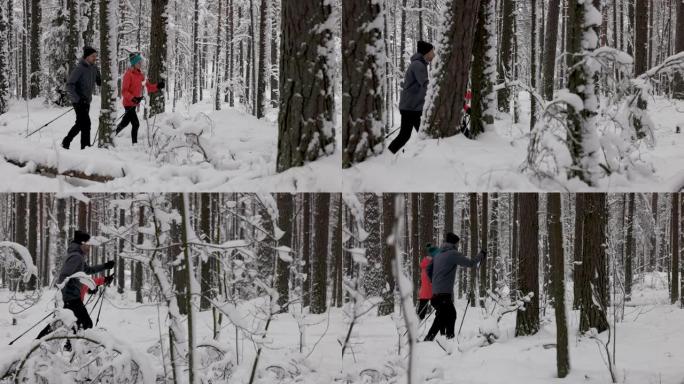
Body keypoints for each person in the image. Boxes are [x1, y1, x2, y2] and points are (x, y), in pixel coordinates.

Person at [424, 232, 486, 342]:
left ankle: (446, 338)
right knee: (447, 316)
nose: (458, 245)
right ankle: (433, 339)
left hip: (435, 294)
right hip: (443, 294)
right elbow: (471, 263)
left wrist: (434, 281)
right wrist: (481, 255)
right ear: (454, 243)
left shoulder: (438, 254)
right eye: (457, 243)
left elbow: (428, 269)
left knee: (446, 315)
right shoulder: (452, 254)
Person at [388, 40, 435, 154]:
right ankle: (388, 154)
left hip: (412, 107)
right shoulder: (418, 65)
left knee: (410, 135)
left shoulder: (418, 64)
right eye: (432, 51)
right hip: (411, 108)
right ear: (426, 52)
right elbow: (425, 84)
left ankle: (389, 154)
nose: (433, 54)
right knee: (416, 135)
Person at [115, 52, 165, 145]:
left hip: (134, 103)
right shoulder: (128, 74)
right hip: (128, 103)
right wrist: (133, 98)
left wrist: (158, 86)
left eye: (141, 62)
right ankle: (134, 144)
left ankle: (112, 134)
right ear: (133, 64)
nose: (140, 64)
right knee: (136, 123)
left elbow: (149, 87)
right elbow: (124, 91)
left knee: (125, 122)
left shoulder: (140, 75)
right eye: (139, 63)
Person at [62, 47, 101, 150]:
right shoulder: (79, 68)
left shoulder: (94, 68)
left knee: (80, 124)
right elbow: (69, 85)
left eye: (96, 56)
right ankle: (85, 147)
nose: (95, 58)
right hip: (78, 101)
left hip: (87, 101)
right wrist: (78, 99)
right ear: (87, 56)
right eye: (93, 56)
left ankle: (66, 142)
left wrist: (100, 78)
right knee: (86, 123)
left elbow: (99, 82)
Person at [417, 243, 439, 320]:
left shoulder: (424, 264)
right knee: (442, 310)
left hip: (424, 292)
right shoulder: (432, 265)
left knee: (421, 313)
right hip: (432, 291)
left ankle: (415, 327)